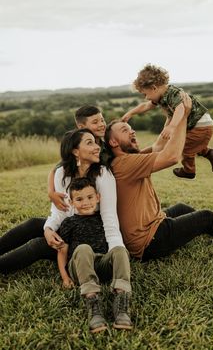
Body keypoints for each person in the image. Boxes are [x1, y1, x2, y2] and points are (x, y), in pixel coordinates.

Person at [104, 112, 213, 262]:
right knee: (206, 217)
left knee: (182, 208)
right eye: (124, 130)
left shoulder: (126, 160)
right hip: (149, 242)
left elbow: (159, 145)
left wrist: (172, 116)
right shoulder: (125, 163)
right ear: (113, 142)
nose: (132, 131)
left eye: (131, 128)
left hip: (150, 226)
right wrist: (183, 118)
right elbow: (172, 157)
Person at [0, 129, 125, 280]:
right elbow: (61, 210)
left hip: (89, 237)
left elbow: (110, 217)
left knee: (39, 245)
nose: (97, 146)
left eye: (95, 142)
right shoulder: (62, 173)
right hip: (72, 226)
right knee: (34, 224)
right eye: (89, 142)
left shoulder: (103, 174)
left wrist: (114, 254)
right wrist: (48, 229)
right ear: (75, 152)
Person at [122, 63, 213, 180]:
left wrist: (171, 127)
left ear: (154, 88)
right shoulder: (161, 96)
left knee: (183, 148)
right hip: (197, 125)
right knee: (188, 145)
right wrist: (130, 113)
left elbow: (180, 109)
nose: (146, 98)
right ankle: (212, 154)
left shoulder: (172, 93)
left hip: (200, 126)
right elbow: (145, 106)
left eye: (145, 94)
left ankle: (189, 171)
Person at [57, 177, 132, 333]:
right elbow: (62, 251)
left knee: (119, 249)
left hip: (102, 264)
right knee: (84, 248)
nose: (86, 202)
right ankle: (93, 302)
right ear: (71, 202)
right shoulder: (69, 223)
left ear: (98, 197)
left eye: (90, 197)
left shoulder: (104, 219)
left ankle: (122, 303)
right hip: (80, 266)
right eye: (79, 199)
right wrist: (65, 277)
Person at [48, 105, 111, 212]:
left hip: (103, 200)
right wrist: (51, 192)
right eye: (95, 122)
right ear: (81, 127)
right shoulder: (77, 149)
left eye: (102, 120)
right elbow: (57, 169)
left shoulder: (108, 147)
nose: (101, 125)